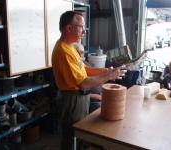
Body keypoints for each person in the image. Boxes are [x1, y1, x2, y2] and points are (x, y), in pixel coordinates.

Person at [51, 11, 126, 150]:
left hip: (79, 98)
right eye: (81, 27)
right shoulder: (63, 51)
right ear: (69, 28)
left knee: (80, 135)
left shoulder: (71, 47)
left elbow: (83, 69)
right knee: (71, 137)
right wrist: (108, 77)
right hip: (72, 100)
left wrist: (105, 71)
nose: (84, 31)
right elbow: (83, 82)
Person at [73, 42, 102, 113]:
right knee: (103, 107)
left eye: (82, 53)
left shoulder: (85, 63)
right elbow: (76, 92)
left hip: (99, 94)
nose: (81, 55)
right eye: (79, 53)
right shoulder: (74, 67)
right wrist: (93, 96)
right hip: (88, 99)